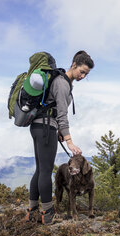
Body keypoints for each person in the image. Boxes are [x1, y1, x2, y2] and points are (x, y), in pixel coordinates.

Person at [25, 51, 94, 224]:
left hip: (39, 127)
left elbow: (54, 111)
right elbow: (62, 114)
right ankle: (48, 214)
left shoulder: (60, 81)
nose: (83, 76)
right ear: (74, 64)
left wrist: (59, 132)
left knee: (40, 170)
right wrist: (69, 141)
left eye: (86, 74)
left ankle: (32, 211)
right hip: (46, 128)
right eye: (82, 71)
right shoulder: (62, 83)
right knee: (46, 171)